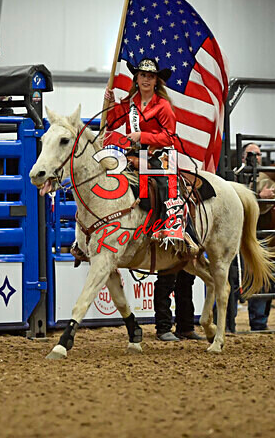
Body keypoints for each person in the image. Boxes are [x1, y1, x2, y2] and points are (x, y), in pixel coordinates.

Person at [104, 58, 201, 341]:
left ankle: (173, 227)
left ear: (156, 80)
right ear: (136, 78)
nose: (145, 79)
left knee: (165, 187)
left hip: (158, 158)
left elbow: (169, 137)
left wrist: (142, 135)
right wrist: (108, 104)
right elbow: (112, 122)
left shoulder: (163, 106)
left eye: (150, 76)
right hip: (131, 158)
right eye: (142, 75)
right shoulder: (129, 104)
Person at [226, 143, 275, 332]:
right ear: (243, 157)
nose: (257, 157)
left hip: (255, 234)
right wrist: (257, 196)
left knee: (260, 275)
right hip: (236, 234)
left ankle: (259, 322)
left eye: (259, 154)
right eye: (252, 153)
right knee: (233, 276)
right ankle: (228, 321)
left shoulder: (262, 177)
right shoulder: (234, 175)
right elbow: (233, 198)